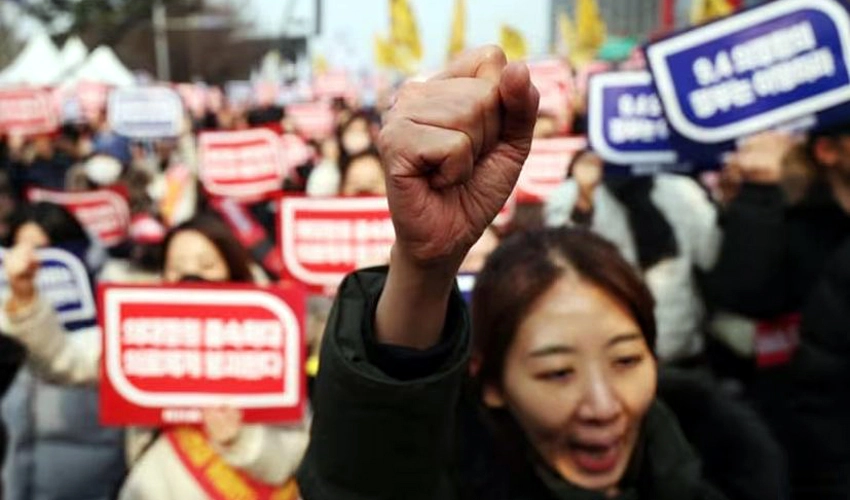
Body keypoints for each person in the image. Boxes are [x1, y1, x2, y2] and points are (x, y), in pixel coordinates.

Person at [297, 46, 783, 500]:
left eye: (626, 361)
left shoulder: (732, 469)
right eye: (557, 372)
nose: (602, 406)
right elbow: (362, 479)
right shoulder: (445, 477)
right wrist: (423, 269)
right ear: (492, 383)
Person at [1, 213, 309, 500]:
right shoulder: (139, 331)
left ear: (234, 269)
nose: (191, 277)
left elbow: (293, 455)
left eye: (207, 266)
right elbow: (65, 360)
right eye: (177, 267)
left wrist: (240, 440)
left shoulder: (271, 336)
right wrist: (26, 297)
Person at [703, 127, 850, 500]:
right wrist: (759, 192)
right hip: (803, 433)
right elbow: (743, 292)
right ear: (828, 151)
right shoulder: (786, 216)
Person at [545, 150, 721, 365]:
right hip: (608, 357)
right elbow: (562, 265)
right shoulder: (572, 194)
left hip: (680, 349)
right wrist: (584, 202)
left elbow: (710, 257)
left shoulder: (680, 190)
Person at [0, 202, 124, 500]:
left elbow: (66, 361)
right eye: (20, 247)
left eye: (44, 248)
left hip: (87, 470)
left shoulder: (113, 299)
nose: (29, 259)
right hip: (13, 469)